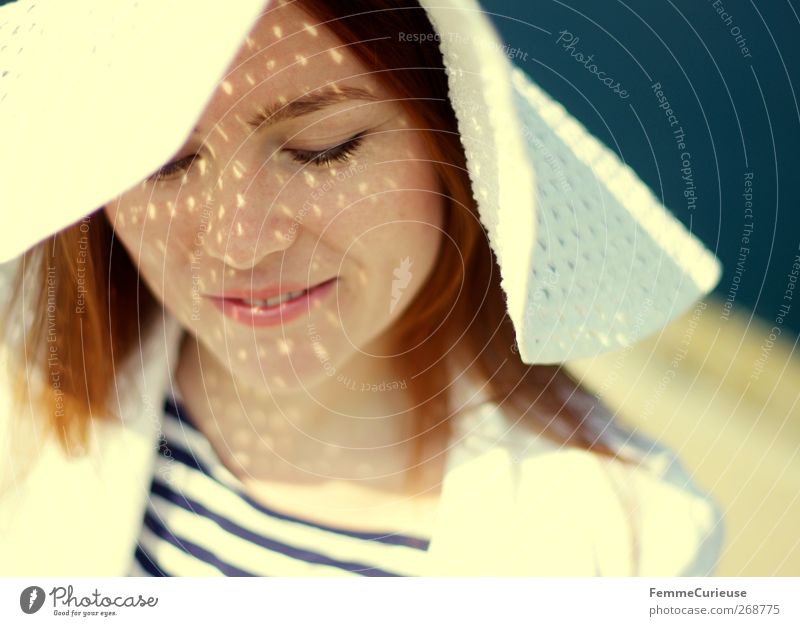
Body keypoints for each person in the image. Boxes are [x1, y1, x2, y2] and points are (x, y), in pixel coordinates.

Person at [0, 0, 724, 576]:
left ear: (455, 139)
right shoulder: (23, 389)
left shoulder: (633, 543)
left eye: (325, 147)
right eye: (162, 162)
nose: (237, 242)